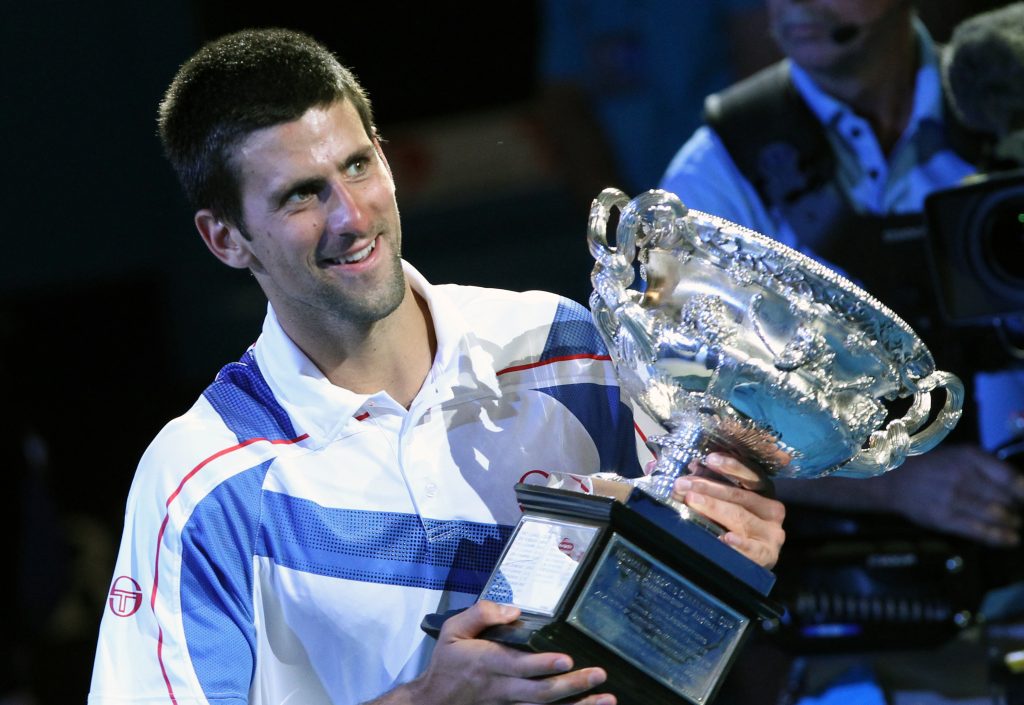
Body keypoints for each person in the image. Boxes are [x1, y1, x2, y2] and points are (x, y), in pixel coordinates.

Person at [87, 28, 786, 705]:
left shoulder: (565, 346)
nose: (352, 217)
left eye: (358, 165)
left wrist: (720, 555)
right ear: (225, 238)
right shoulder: (198, 481)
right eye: (302, 194)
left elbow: (666, 638)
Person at [659, 0, 1024, 550]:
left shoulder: (1009, 107)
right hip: (845, 574)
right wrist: (892, 484)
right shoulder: (720, 169)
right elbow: (683, 422)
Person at [535, 0, 780, 201]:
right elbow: (563, 100)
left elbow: (760, 67)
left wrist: (750, 186)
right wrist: (611, 211)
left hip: (732, 183)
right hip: (632, 192)